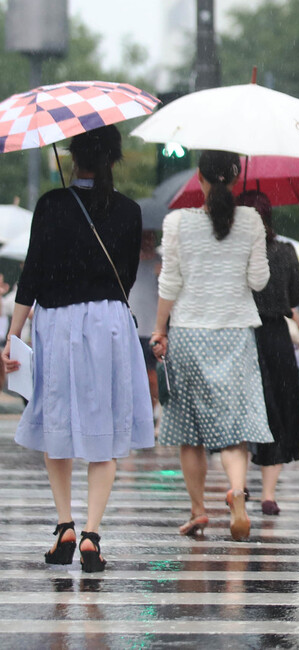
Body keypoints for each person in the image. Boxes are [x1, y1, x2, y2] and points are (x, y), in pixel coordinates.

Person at [1, 125, 154, 572]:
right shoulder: (128, 211)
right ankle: (91, 533)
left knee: (58, 420)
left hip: (57, 321)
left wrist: (12, 338)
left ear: (72, 156)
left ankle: (65, 524)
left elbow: (30, 277)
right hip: (107, 322)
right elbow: (125, 278)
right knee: (101, 425)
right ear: (114, 158)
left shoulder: (51, 204)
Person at [150, 150, 273, 542]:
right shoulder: (251, 219)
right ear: (235, 179)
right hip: (235, 332)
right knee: (235, 427)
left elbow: (169, 284)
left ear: (199, 179)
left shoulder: (177, 223)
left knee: (192, 432)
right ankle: (236, 492)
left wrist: (159, 330)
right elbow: (258, 282)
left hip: (188, 331)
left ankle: (199, 510)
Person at [237, 190, 299, 516]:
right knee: (277, 410)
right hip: (276, 335)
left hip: (240, 334)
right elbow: (296, 294)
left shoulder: (234, 252)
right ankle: (268, 493)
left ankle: (237, 483)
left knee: (239, 410)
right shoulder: (285, 251)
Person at [129, 231, 161, 416]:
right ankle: (139, 414)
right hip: (134, 327)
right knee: (134, 375)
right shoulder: (130, 260)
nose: (148, 241)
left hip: (152, 327)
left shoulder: (160, 262)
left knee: (152, 376)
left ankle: (150, 413)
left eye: (150, 237)